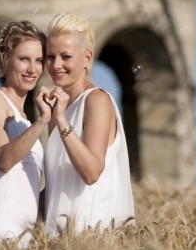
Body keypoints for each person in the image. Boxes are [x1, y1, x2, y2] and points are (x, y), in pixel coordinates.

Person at [37, 12, 134, 235]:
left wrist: (61, 121)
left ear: (87, 59)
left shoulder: (96, 100)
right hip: (59, 235)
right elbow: (56, 185)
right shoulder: (56, 109)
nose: (56, 65)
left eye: (66, 56)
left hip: (92, 233)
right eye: (50, 57)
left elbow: (91, 172)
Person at [0, 20, 51, 243]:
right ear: (6, 60)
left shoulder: (26, 120)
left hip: (24, 236)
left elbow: (25, 188)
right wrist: (43, 120)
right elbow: (4, 161)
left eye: (39, 61)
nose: (32, 69)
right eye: (23, 59)